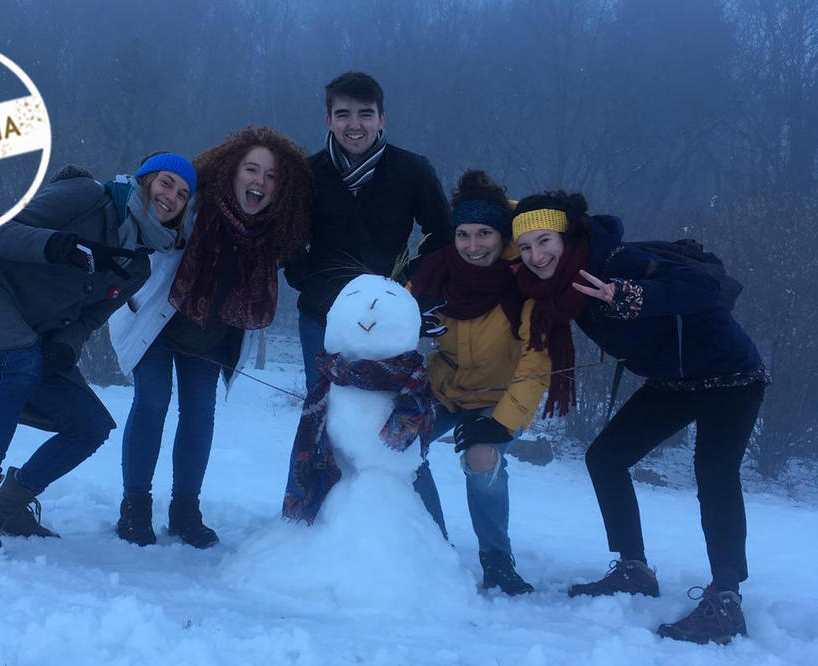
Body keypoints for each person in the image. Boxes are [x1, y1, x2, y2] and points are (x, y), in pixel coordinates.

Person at [0, 154, 198, 555]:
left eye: (182, 193)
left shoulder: (138, 264)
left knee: (89, 425)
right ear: (144, 181)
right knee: (19, 364)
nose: (171, 196)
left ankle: (7, 506)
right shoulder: (88, 195)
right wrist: (59, 246)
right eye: (166, 182)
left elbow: (88, 320)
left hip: (30, 330)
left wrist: (63, 346)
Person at [510, 191, 769, 644]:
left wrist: (629, 295)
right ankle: (634, 568)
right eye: (526, 246)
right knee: (606, 458)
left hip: (731, 374)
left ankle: (726, 598)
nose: (535, 255)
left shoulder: (616, 259)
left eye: (544, 240)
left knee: (714, 472)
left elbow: (703, 288)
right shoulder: (555, 284)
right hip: (673, 382)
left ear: (566, 235)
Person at [110, 127, 312, 549]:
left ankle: (186, 511)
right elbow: (142, 204)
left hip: (211, 337)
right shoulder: (195, 204)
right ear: (231, 169)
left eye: (271, 176)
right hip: (157, 322)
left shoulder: (274, 235)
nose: (259, 181)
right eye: (251, 169)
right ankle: (135, 507)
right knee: (153, 402)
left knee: (200, 416)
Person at [283, 71, 453, 532]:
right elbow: (290, 244)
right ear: (329, 119)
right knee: (326, 423)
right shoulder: (309, 173)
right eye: (343, 115)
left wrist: (409, 295)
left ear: (382, 118)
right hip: (323, 316)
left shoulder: (411, 170)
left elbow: (442, 240)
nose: (354, 124)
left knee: (398, 424)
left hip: (390, 322)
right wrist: (315, 285)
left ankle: (426, 540)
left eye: (364, 114)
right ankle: (315, 531)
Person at [408, 170, 551, 594]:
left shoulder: (524, 282)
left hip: (502, 394)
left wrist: (501, 421)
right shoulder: (436, 270)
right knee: (399, 446)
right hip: (448, 388)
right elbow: (386, 313)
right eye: (464, 234)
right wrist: (410, 322)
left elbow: (536, 361)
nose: (473, 246)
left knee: (482, 457)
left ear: (501, 234)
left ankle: (497, 559)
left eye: (484, 234)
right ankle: (432, 546)